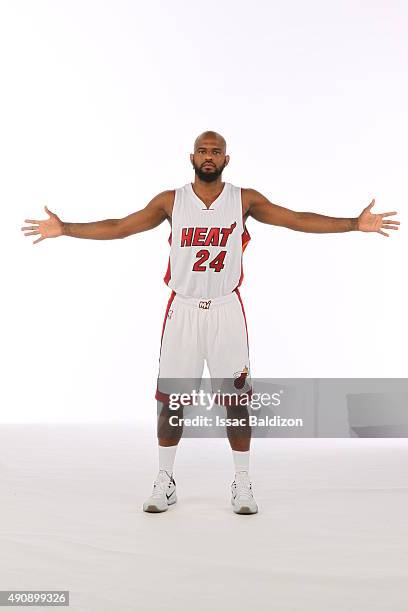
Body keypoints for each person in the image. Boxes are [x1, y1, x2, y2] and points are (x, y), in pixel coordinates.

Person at [21, 130, 400, 515]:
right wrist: (65, 228)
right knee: (173, 400)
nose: (208, 156)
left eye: (215, 151)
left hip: (225, 309)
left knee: (235, 401)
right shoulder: (171, 201)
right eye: (202, 151)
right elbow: (121, 226)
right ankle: (165, 480)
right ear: (191, 157)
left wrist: (355, 223)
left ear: (225, 159)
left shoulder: (243, 200)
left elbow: (296, 219)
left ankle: (242, 481)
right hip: (182, 310)